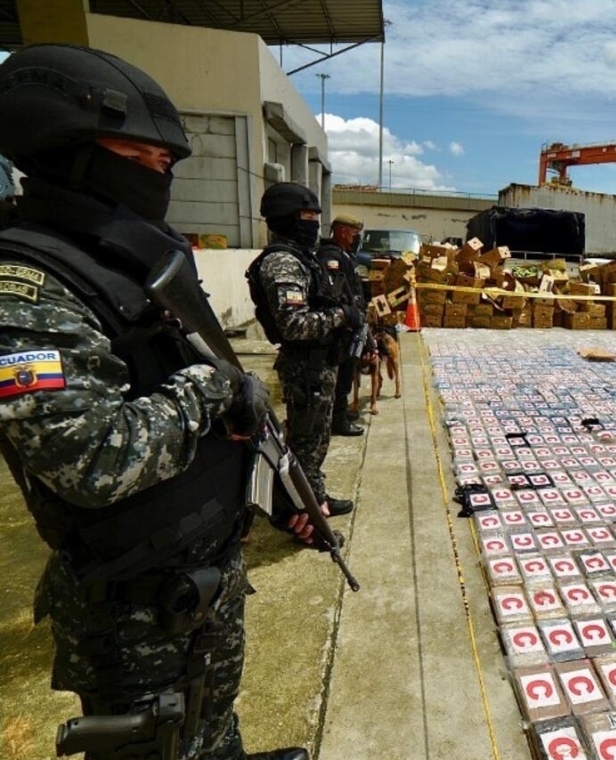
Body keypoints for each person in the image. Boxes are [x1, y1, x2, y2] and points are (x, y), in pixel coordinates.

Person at [0, 44, 310, 760]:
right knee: (162, 739)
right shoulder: (28, 288)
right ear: (66, 153)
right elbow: (94, 460)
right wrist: (213, 385)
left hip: (196, 556)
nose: (159, 178)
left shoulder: (129, 259)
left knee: (209, 709)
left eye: (166, 166)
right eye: (139, 161)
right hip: (135, 593)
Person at [247, 183, 357, 516]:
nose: (313, 223)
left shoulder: (301, 258)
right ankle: (304, 515)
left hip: (318, 364)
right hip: (305, 367)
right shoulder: (282, 262)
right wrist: (341, 316)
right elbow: (293, 325)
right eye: (307, 216)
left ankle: (314, 497)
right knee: (305, 446)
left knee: (315, 444)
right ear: (286, 219)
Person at [320, 214, 369, 437]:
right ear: (342, 232)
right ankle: (337, 420)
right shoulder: (331, 257)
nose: (356, 239)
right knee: (340, 376)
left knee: (348, 372)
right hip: (340, 327)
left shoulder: (346, 255)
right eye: (354, 234)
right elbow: (335, 294)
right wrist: (348, 316)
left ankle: (341, 412)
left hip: (351, 324)